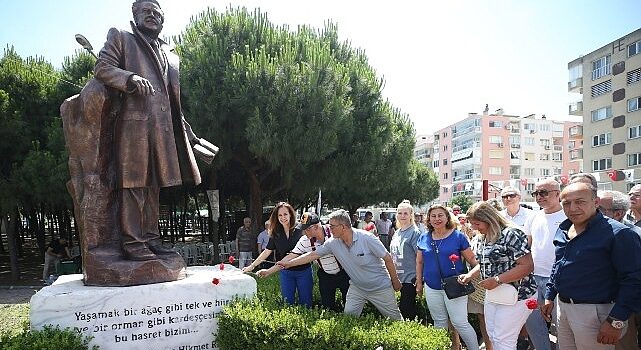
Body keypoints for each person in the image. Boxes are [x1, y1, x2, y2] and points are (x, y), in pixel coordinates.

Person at [93, 0, 210, 261]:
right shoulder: (122, 38)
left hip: (163, 131)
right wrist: (129, 79)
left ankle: (151, 239)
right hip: (133, 128)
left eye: (157, 12)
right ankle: (133, 243)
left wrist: (190, 137)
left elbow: (172, 102)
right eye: (146, 11)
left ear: (163, 19)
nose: (152, 16)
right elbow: (102, 68)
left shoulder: (170, 53)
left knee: (153, 187)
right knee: (133, 185)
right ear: (135, 15)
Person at [542, 182, 641, 349]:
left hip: (597, 312)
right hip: (563, 308)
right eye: (566, 203)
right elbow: (558, 264)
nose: (572, 208)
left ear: (596, 202)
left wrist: (616, 320)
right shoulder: (564, 229)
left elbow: (634, 280)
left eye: (580, 201)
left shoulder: (619, 234)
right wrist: (550, 295)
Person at [279, 209, 403, 320]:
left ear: (343, 227)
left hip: (380, 288)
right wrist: (289, 264)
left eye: (332, 226)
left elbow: (387, 259)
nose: (329, 228)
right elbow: (312, 255)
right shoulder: (332, 242)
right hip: (357, 289)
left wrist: (395, 280)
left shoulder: (367, 238)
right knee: (348, 320)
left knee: (396, 321)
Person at [461, 201, 537, 350]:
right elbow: (484, 263)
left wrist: (497, 280)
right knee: (494, 337)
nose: (474, 228)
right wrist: (470, 275)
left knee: (504, 339)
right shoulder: (484, 237)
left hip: (518, 294)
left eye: (477, 224)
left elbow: (527, 265)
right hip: (494, 293)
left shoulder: (511, 233)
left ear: (489, 219)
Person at [416, 204, 479, 350]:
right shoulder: (423, 237)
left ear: (447, 217)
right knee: (439, 322)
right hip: (432, 287)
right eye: (433, 216)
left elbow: (474, 262)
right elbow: (419, 261)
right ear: (429, 219)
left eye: (440, 215)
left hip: (456, 286)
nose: (437, 219)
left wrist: (469, 276)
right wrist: (419, 283)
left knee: (460, 323)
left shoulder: (458, 236)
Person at [265, 212, 350, 311]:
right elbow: (290, 257)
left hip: (344, 273)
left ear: (315, 227)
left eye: (306, 229)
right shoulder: (305, 240)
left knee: (349, 305)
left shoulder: (334, 232)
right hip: (326, 275)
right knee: (327, 307)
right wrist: (268, 271)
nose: (304, 232)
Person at [243, 202, 313, 308]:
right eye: (280, 215)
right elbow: (266, 252)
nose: (283, 217)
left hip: (303, 271)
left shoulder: (301, 230)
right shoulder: (275, 233)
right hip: (286, 272)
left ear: (290, 214)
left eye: (285, 214)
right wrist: (252, 266)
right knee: (287, 304)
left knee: (306, 304)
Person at [524, 178, 565, 350]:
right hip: (534, 277)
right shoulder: (533, 217)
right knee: (533, 323)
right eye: (536, 193)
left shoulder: (568, 216)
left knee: (561, 326)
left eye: (543, 193)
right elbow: (528, 245)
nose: (539, 197)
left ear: (558, 194)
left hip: (559, 280)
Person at [599, 190, 641, 350]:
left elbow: (633, 278)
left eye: (600, 210)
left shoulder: (629, 235)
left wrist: (617, 317)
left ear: (618, 214)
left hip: (624, 306)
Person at [389, 200, 421, 320]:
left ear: (411, 215)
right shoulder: (397, 232)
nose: (402, 216)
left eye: (405, 213)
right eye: (400, 213)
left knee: (407, 310)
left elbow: (419, 257)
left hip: (410, 278)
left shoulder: (415, 232)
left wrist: (419, 279)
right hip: (397, 277)